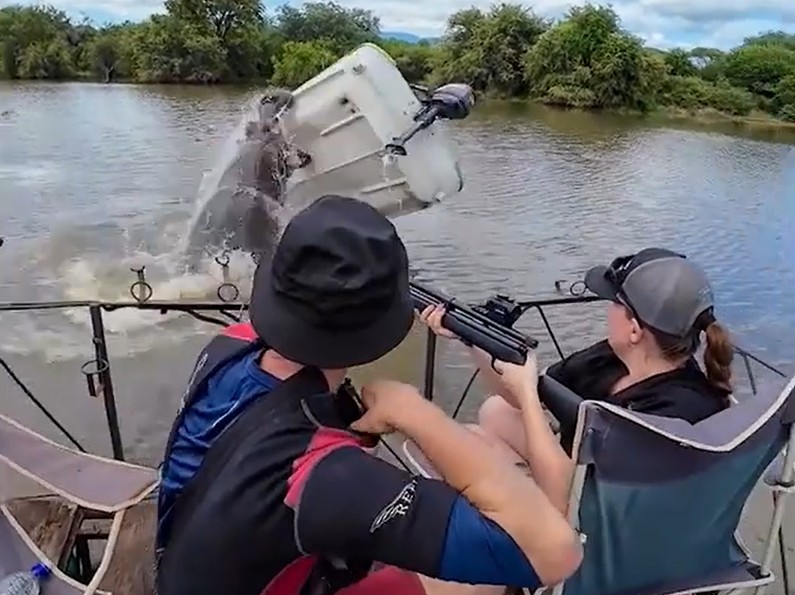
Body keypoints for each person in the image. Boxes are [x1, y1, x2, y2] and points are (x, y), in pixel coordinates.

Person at [155, 194, 582, 595]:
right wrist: (419, 414)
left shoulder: (228, 345)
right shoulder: (323, 473)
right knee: (473, 583)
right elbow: (554, 552)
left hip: (177, 566)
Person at [419, 247, 733, 514]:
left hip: (585, 522)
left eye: (615, 303)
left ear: (635, 330)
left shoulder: (669, 414)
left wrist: (528, 395)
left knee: (453, 447)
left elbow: (567, 499)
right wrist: (472, 338)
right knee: (495, 411)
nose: (607, 310)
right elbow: (520, 393)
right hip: (580, 476)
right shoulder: (614, 357)